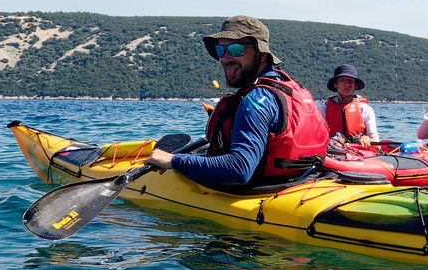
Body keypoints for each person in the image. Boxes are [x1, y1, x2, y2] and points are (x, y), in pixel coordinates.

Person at [145, 16, 328, 186]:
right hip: (303, 180)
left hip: (264, 191)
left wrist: (173, 160)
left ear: (262, 55)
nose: (225, 58)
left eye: (236, 49)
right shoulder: (291, 87)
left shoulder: (256, 101)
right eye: (221, 50)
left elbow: (240, 169)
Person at [320, 63, 380, 146]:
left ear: (355, 85)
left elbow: (376, 144)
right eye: (342, 80)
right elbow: (317, 135)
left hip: (358, 149)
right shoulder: (324, 109)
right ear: (335, 84)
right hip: (333, 148)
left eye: (351, 81)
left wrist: (367, 138)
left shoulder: (365, 109)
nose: (347, 84)